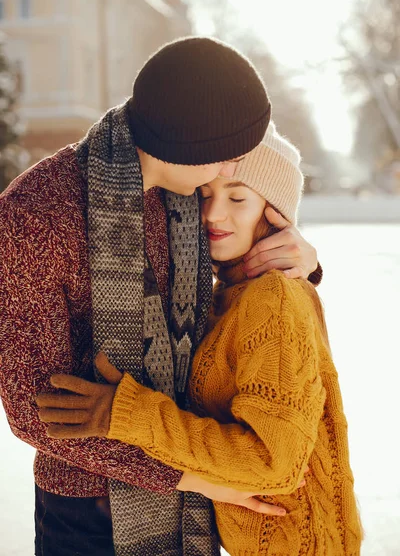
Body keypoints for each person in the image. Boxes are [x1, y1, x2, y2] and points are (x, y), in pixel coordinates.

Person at [1, 37, 320, 556]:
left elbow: (240, 286)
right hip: (86, 510)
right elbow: (32, 409)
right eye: (223, 157)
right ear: (187, 150)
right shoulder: (34, 216)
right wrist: (187, 478)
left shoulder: (188, 192)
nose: (228, 170)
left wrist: (296, 256)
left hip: (197, 498)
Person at [38, 121, 362, 556]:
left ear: (276, 213)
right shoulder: (221, 296)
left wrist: (128, 413)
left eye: (238, 198)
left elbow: (274, 463)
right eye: (205, 195)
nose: (213, 214)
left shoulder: (272, 298)